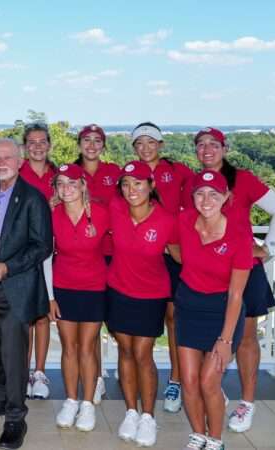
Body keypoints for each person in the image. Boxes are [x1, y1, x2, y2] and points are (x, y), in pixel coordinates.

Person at [186, 127, 275, 432]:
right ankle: (214, 389)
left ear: (225, 147)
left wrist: (267, 248)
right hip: (208, 274)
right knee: (211, 337)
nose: (207, 150)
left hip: (244, 270)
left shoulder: (242, 179)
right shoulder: (195, 184)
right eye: (201, 145)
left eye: (213, 144)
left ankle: (246, 403)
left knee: (245, 338)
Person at [0, 138, 53, 450]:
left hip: (15, 287)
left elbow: (43, 245)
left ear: (19, 162)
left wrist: (8, 267)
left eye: (8, 157)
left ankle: (16, 417)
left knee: (13, 355)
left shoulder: (33, 198)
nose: (0, 161)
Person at [175, 170, 252, 450]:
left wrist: (225, 340)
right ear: (193, 196)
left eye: (214, 194)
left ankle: (216, 439)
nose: (206, 200)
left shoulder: (239, 235)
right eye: (200, 193)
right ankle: (198, 434)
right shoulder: (183, 220)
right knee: (190, 380)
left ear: (226, 197)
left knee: (209, 381)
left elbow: (236, 294)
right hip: (188, 308)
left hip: (223, 312)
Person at [107, 161, 180, 446]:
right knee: (125, 350)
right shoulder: (115, 211)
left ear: (151, 186)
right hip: (118, 290)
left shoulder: (167, 220)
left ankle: (148, 417)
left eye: (138, 183)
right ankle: (130, 412)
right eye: (125, 184)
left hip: (151, 295)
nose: (131, 189)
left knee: (142, 352)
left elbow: (181, 255)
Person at [130, 122, 194, 413]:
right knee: (153, 316)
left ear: (161, 145)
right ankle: (140, 369)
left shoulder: (178, 170)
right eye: (139, 143)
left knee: (175, 318)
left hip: (173, 251)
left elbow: (202, 198)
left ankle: (177, 379)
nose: (145, 148)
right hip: (145, 254)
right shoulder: (131, 173)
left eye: (150, 142)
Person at [48, 164, 108, 432]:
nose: (66, 189)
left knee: (87, 347)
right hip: (63, 287)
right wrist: (49, 297)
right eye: (60, 184)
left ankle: (87, 404)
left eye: (72, 183)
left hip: (95, 287)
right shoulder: (52, 214)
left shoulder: (102, 213)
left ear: (83, 185)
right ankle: (71, 400)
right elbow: (46, 258)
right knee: (68, 347)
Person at [74, 124, 122, 404]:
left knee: (108, 321)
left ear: (103, 146)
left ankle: (101, 373)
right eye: (86, 140)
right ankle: (96, 378)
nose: (91, 145)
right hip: (80, 257)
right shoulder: (68, 173)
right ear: (79, 144)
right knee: (86, 325)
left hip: (112, 255)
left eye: (97, 141)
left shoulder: (114, 173)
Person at [18, 122, 56, 400]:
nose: (37, 146)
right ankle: (22, 371)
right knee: (24, 316)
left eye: (42, 141)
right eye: (32, 142)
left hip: (54, 251)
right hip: (23, 251)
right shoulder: (17, 175)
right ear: (24, 146)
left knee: (43, 314)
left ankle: (39, 372)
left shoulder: (60, 175)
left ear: (49, 145)